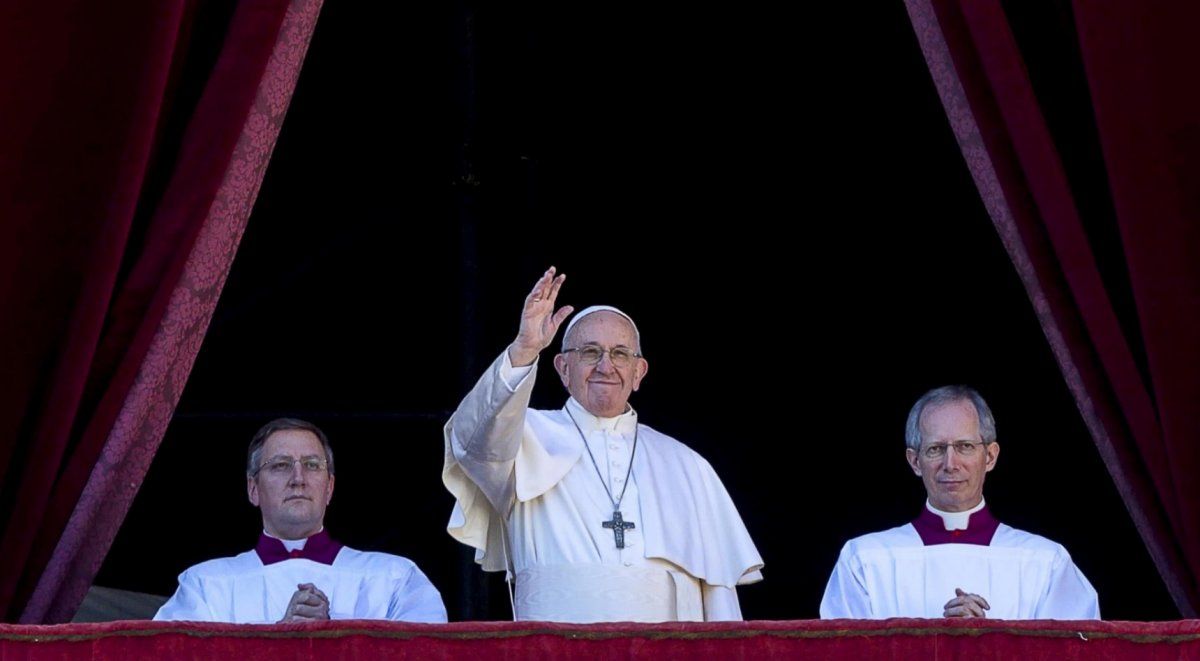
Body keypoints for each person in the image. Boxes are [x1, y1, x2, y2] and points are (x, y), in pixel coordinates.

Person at [442, 267, 763, 623]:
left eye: (620, 353)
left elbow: (719, 593)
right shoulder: (521, 436)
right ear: (563, 368)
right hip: (553, 647)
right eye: (590, 352)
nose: (606, 366)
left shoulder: (687, 464)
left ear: (639, 372)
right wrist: (525, 348)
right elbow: (472, 442)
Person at [819, 386, 1100, 619]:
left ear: (990, 456)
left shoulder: (1045, 562)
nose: (950, 464)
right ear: (915, 461)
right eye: (936, 449)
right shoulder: (865, 561)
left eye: (965, 446)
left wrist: (989, 642)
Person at [155, 418, 447, 623]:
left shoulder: (395, 578)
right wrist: (278, 641)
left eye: (312, 465)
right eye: (280, 466)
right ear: (253, 489)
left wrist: (333, 636)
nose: (298, 479)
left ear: (329, 487)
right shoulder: (206, 585)